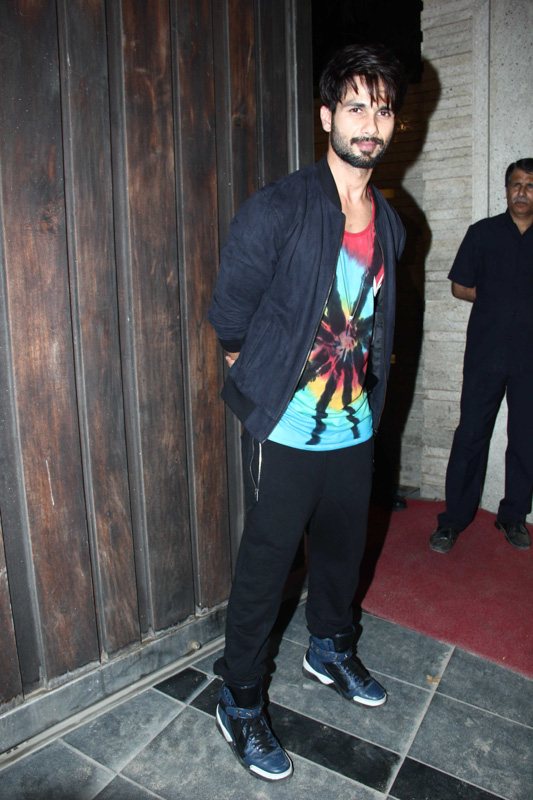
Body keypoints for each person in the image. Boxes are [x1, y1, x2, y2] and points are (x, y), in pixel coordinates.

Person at [208, 43, 407, 781]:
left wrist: (368, 401)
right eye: (355, 106)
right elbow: (230, 317)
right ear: (326, 117)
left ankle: (329, 649)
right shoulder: (279, 208)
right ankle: (239, 697)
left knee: (341, 553)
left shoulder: (391, 223)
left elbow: (378, 321)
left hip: (354, 425)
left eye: (382, 110)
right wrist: (263, 387)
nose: (369, 123)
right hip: (290, 428)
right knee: (266, 568)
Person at [430, 158, 533, 554]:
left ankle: (512, 516)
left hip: (529, 358)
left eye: (530, 186)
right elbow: (459, 286)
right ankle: (452, 521)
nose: (522, 192)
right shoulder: (483, 233)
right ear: (506, 190)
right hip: (485, 353)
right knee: (471, 435)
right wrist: (495, 298)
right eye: (516, 185)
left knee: (526, 437)